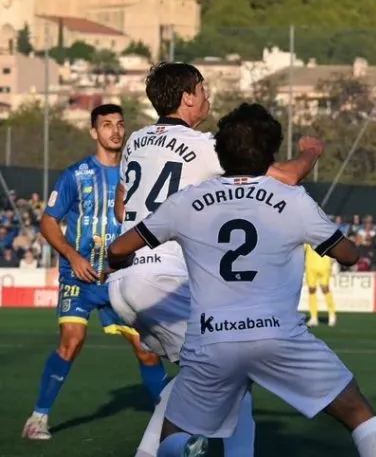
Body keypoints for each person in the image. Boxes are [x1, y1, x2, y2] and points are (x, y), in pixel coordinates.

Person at [108, 103, 376, 457]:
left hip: (212, 341)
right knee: (358, 414)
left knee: (174, 433)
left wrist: (121, 260)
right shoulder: (293, 200)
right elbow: (350, 256)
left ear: (220, 152)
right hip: (278, 335)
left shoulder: (187, 201)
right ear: (271, 153)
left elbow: (119, 247)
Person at [106, 62, 323, 457]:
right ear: (187, 96)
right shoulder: (203, 146)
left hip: (124, 281)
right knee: (235, 365)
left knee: (201, 372)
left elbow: (123, 208)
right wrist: (309, 154)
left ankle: (149, 452)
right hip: (164, 278)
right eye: (203, 89)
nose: (208, 97)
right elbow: (286, 178)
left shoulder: (135, 140)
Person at [22, 104, 169, 441]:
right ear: (94, 132)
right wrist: (72, 256)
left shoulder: (137, 175)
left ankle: (172, 418)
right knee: (71, 342)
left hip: (119, 278)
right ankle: (37, 419)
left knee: (146, 349)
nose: (115, 131)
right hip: (79, 277)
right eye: (106, 125)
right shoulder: (75, 174)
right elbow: (47, 221)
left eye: (119, 124)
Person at [305, 243, 336, 326]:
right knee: (311, 290)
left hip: (324, 264)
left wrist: (333, 262)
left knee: (325, 289)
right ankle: (313, 317)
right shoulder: (306, 234)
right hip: (310, 265)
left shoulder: (325, 233)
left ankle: (332, 315)